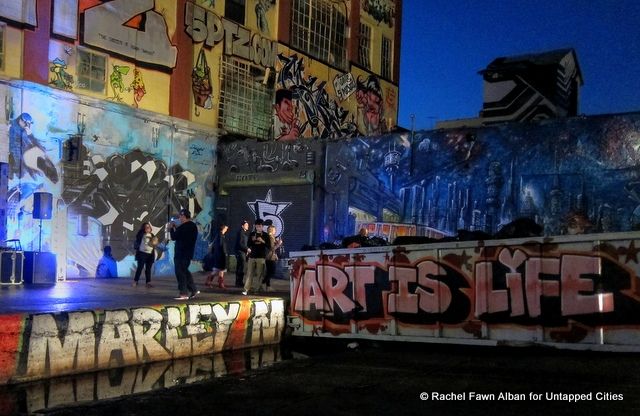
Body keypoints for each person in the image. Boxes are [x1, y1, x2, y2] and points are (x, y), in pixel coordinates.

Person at [169, 208, 199, 300]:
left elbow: (174, 237)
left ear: (184, 216)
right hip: (188, 253)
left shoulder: (183, 227)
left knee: (180, 272)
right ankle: (193, 289)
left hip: (181, 253)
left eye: (180, 216)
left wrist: (171, 228)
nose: (179, 218)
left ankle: (183, 293)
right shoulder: (193, 226)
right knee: (184, 271)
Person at [242, 219, 271, 295]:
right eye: (257, 226)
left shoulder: (265, 235)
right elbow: (248, 244)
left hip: (261, 257)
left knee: (259, 274)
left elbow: (269, 246)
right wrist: (252, 241)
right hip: (252, 256)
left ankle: (256, 289)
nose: (258, 228)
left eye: (260, 226)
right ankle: (246, 289)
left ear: (262, 226)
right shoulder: (252, 234)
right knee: (249, 274)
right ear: (255, 226)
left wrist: (262, 241)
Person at [133, 222, 157, 287]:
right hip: (142, 253)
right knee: (140, 268)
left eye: (148, 226)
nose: (147, 228)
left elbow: (155, 243)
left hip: (150, 254)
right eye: (146, 227)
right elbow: (138, 238)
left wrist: (155, 241)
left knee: (148, 269)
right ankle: (136, 281)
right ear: (143, 228)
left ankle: (148, 282)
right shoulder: (141, 234)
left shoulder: (152, 235)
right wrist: (145, 232)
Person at [205, 224, 229, 289]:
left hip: (218, 255)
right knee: (219, 269)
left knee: (220, 270)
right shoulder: (220, 236)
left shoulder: (219, 235)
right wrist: (224, 254)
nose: (227, 229)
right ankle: (211, 281)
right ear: (223, 228)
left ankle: (219, 283)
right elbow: (221, 246)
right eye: (226, 228)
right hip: (220, 255)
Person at [263, 225, 283, 292]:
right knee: (271, 272)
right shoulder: (270, 237)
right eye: (274, 230)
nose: (275, 231)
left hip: (270, 256)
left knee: (269, 271)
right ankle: (262, 282)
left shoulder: (271, 237)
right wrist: (279, 244)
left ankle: (268, 287)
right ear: (271, 230)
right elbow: (272, 248)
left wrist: (276, 255)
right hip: (270, 257)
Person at [234, 220, 251, 287]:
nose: (247, 226)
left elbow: (243, 243)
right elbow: (240, 244)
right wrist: (247, 249)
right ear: (242, 226)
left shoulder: (244, 233)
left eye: (247, 225)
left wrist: (246, 250)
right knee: (241, 267)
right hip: (240, 252)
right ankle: (239, 283)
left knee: (240, 267)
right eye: (246, 225)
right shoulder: (241, 232)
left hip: (242, 252)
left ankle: (238, 282)